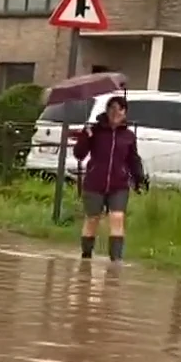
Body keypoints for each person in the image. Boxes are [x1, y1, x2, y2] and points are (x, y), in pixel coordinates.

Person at [72, 95, 144, 262]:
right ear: (107, 110)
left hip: (119, 184)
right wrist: (85, 137)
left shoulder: (128, 136)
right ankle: (86, 256)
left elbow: (133, 159)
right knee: (92, 219)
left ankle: (116, 259)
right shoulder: (95, 131)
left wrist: (138, 179)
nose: (115, 112)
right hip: (95, 182)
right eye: (112, 108)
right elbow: (79, 154)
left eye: (120, 109)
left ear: (125, 113)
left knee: (117, 217)